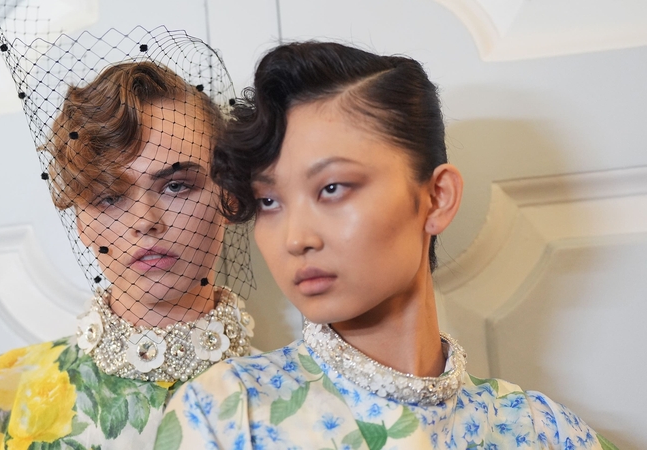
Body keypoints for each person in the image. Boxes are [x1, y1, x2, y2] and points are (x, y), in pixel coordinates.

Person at [159, 42, 618, 449]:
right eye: (270, 201)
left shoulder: (542, 431)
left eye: (333, 188)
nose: (296, 238)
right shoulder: (225, 415)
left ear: (436, 198)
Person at [0, 59, 255, 449]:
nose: (145, 220)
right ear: (80, 220)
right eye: (109, 195)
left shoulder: (304, 400)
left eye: (176, 186)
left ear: (228, 196)